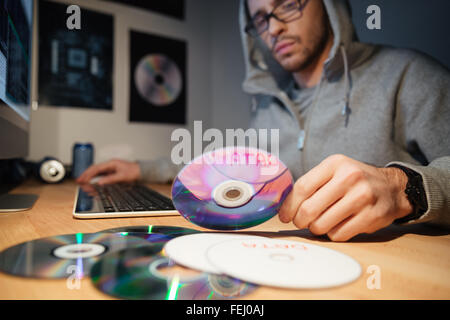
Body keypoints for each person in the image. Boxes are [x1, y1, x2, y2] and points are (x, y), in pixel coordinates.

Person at [77, 0, 450, 241]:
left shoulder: (409, 74)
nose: (273, 28)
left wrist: (404, 189)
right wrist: (140, 169)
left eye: (287, 5)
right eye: (260, 19)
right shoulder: (268, 104)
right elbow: (222, 167)